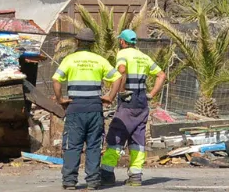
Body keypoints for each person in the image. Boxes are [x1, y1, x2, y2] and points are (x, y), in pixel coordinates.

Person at [52, 29, 118, 190]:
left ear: (78, 42)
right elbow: (117, 77)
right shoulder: (99, 60)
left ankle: (69, 182)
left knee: (72, 145)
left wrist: (61, 99)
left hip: (75, 109)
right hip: (95, 109)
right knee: (94, 146)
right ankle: (93, 182)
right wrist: (109, 97)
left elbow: (56, 79)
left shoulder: (70, 59)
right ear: (92, 44)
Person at [100, 29, 166, 187]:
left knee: (116, 134)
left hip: (128, 100)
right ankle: (135, 176)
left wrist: (121, 91)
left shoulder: (123, 54)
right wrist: (151, 94)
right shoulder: (144, 56)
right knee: (138, 138)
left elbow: (121, 70)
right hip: (142, 100)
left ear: (122, 42)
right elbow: (161, 75)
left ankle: (107, 174)